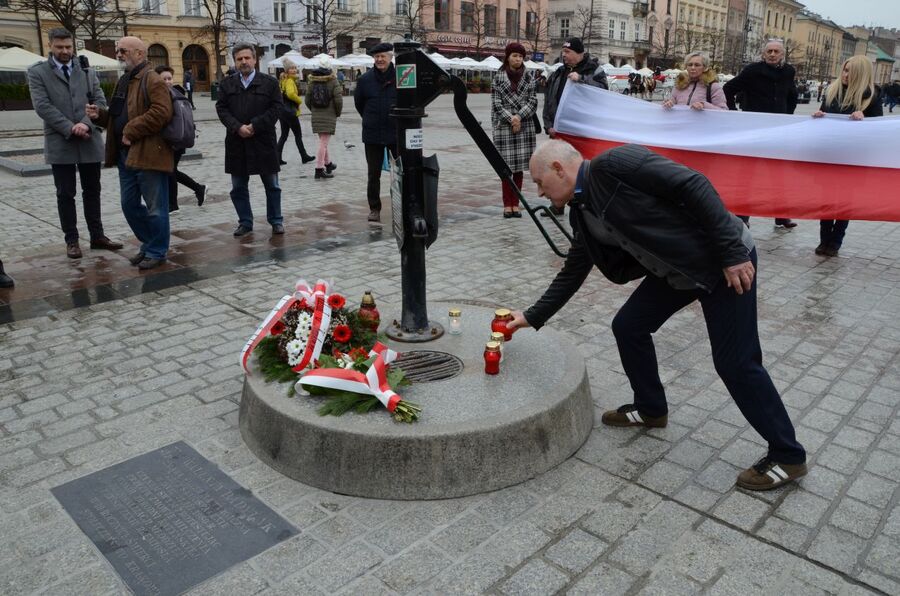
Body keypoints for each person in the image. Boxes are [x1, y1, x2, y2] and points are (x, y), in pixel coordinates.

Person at [508, 139, 808, 491]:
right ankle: (651, 408)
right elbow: (574, 269)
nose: (540, 192)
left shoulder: (617, 164)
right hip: (678, 272)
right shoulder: (581, 211)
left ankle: (788, 455)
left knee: (736, 363)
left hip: (722, 264)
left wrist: (731, 251)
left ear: (559, 169)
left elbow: (693, 184)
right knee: (629, 326)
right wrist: (532, 316)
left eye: (540, 182)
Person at [27, 28, 123, 260]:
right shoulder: (37, 72)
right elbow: (42, 106)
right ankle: (71, 240)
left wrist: (85, 124)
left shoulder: (86, 69)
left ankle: (97, 236)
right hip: (60, 141)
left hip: (89, 139)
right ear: (50, 45)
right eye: (59, 47)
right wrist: (70, 127)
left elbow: (100, 100)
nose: (65, 51)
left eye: (68, 47)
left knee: (93, 190)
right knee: (65, 193)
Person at [86, 36, 172, 270]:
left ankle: (156, 250)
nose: (119, 54)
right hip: (126, 156)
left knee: (156, 208)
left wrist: (132, 130)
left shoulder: (152, 79)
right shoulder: (124, 79)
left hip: (149, 155)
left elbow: (162, 113)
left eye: (123, 50)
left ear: (139, 54)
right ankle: (149, 243)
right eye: (118, 50)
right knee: (129, 205)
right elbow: (118, 116)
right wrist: (100, 116)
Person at [811, 56, 883, 258]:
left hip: (853, 158)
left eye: (850, 71)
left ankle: (836, 241)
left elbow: (878, 130)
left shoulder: (871, 97)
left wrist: (865, 119)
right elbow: (825, 119)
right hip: (830, 155)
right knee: (826, 199)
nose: (845, 74)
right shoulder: (832, 92)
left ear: (860, 74)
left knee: (845, 201)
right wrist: (818, 116)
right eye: (844, 70)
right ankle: (824, 240)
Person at [723, 39, 799, 229]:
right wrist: (735, 114)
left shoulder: (789, 71)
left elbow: (792, 95)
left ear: (782, 54)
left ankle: (781, 216)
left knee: (778, 176)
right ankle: (742, 217)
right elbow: (728, 89)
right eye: (769, 51)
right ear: (763, 54)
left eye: (776, 51)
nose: (772, 54)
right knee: (747, 175)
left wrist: (787, 116)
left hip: (778, 130)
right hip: (754, 130)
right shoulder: (752, 70)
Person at [216, 43, 284, 237]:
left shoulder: (270, 83)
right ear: (235, 61)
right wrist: (238, 127)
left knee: (272, 185)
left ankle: (276, 220)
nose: (244, 62)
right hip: (237, 142)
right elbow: (221, 109)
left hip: (263, 141)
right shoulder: (227, 84)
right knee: (238, 187)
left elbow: (276, 109)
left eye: (247, 58)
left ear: (255, 59)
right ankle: (245, 222)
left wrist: (255, 125)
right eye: (239, 59)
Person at [542, 37, 607, 216]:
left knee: (582, 169)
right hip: (559, 131)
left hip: (583, 132)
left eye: (568, 52)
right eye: (563, 52)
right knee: (558, 168)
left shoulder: (594, 70)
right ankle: (558, 203)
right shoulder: (558, 73)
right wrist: (548, 125)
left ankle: (583, 204)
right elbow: (549, 100)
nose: (564, 55)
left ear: (580, 53)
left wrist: (582, 80)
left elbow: (603, 91)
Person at [491, 42, 538, 219]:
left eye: (520, 56)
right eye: (514, 56)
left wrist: (518, 117)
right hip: (504, 127)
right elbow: (496, 104)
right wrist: (511, 118)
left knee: (518, 169)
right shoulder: (498, 77)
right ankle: (506, 204)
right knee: (505, 169)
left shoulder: (529, 77)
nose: (518, 59)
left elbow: (533, 101)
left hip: (523, 126)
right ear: (508, 57)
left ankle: (516, 204)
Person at [354, 42, 397, 222]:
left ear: (390, 57)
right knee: (374, 174)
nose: (380, 60)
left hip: (396, 132)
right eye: (377, 57)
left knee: (400, 172)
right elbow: (359, 104)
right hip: (372, 132)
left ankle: (400, 204)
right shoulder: (365, 80)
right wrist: (371, 117)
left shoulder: (401, 77)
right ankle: (374, 208)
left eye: (383, 56)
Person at [155, 65, 207, 213]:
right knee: (171, 170)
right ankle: (198, 188)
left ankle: (173, 204)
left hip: (174, 139)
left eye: (169, 78)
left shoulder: (170, 95)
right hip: (175, 139)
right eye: (164, 79)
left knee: (170, 171)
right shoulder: (173, 93)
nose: (167, 81)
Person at [306, 55, 342, 179]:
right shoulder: (333, 81)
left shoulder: (312, 81)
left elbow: (307, 99)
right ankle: (319, 169)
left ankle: (328, 164)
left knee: (323, 141)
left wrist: (314, 110)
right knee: (323, 143)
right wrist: (337, 112)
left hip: (316, 114)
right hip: (329, 114)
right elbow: (338, 100)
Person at [277, 58, 315, 167]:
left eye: (294, 68)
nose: (294, 70)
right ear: (287, 70)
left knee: (284, 135)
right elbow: (290, 94)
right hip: (289, 112)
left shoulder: (283, 79)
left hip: (282, 112)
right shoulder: (289, 81)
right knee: (298, 135)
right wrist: (299, 100)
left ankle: (277, 157)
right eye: (291, 68)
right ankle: (304, 156)